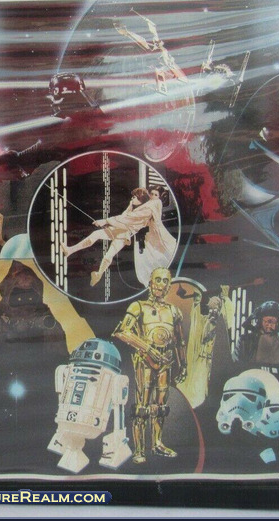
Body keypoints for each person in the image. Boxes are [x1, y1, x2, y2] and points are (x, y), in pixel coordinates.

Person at [112, 267, 187, 463]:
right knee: (142, 407)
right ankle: (139, 450)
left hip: (166, 361)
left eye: (165, 281)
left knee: (160, 406)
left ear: (169, 285)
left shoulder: (174, 311)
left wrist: (183, 364)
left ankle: (157, 444)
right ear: (150, 282)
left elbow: (180, 341)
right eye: (158, 280)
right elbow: (122, 331)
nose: (161, 284)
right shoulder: (138, 306)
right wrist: (147, 348)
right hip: (145, 360)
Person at [61, 187, 177, 287]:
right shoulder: (139, 206)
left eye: (155, 195)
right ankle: (70, 250)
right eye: (151, 194)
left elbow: (126, 219)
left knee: (108, 256)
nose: (152, 196)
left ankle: (99, 274)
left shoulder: (147, 211)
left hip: (123, 234)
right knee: (95, 235)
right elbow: (124, 215)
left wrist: (105, 221)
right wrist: (129, 206)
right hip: (117, 229)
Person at [234, 301, 279, 369]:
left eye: (274, 322)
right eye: (268, 321)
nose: (270, 325)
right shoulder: (244, 340)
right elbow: (234, 364)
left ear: (278, 323)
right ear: (260, 321)